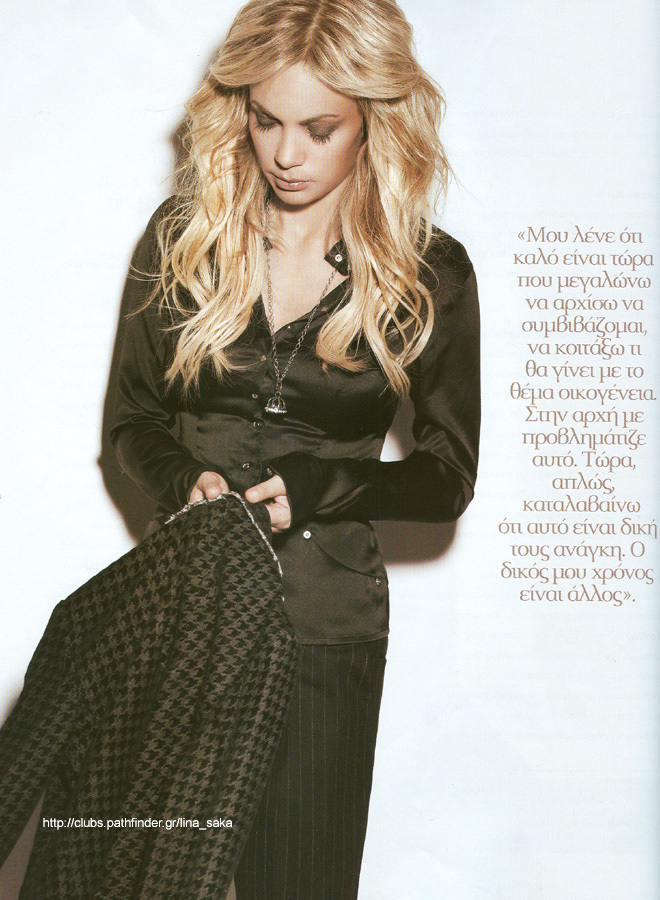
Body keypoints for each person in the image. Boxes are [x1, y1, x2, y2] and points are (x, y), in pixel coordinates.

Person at [109, 0, 480, 896]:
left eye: (320, 130)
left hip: (323, 629)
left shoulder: (428, 272)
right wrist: (183, 478)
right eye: (266, 119)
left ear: (372, 124)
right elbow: (130, 422)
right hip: (181, 616)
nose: (285, 153)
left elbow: (447, 477)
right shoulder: (185, 239)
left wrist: (326, 482)